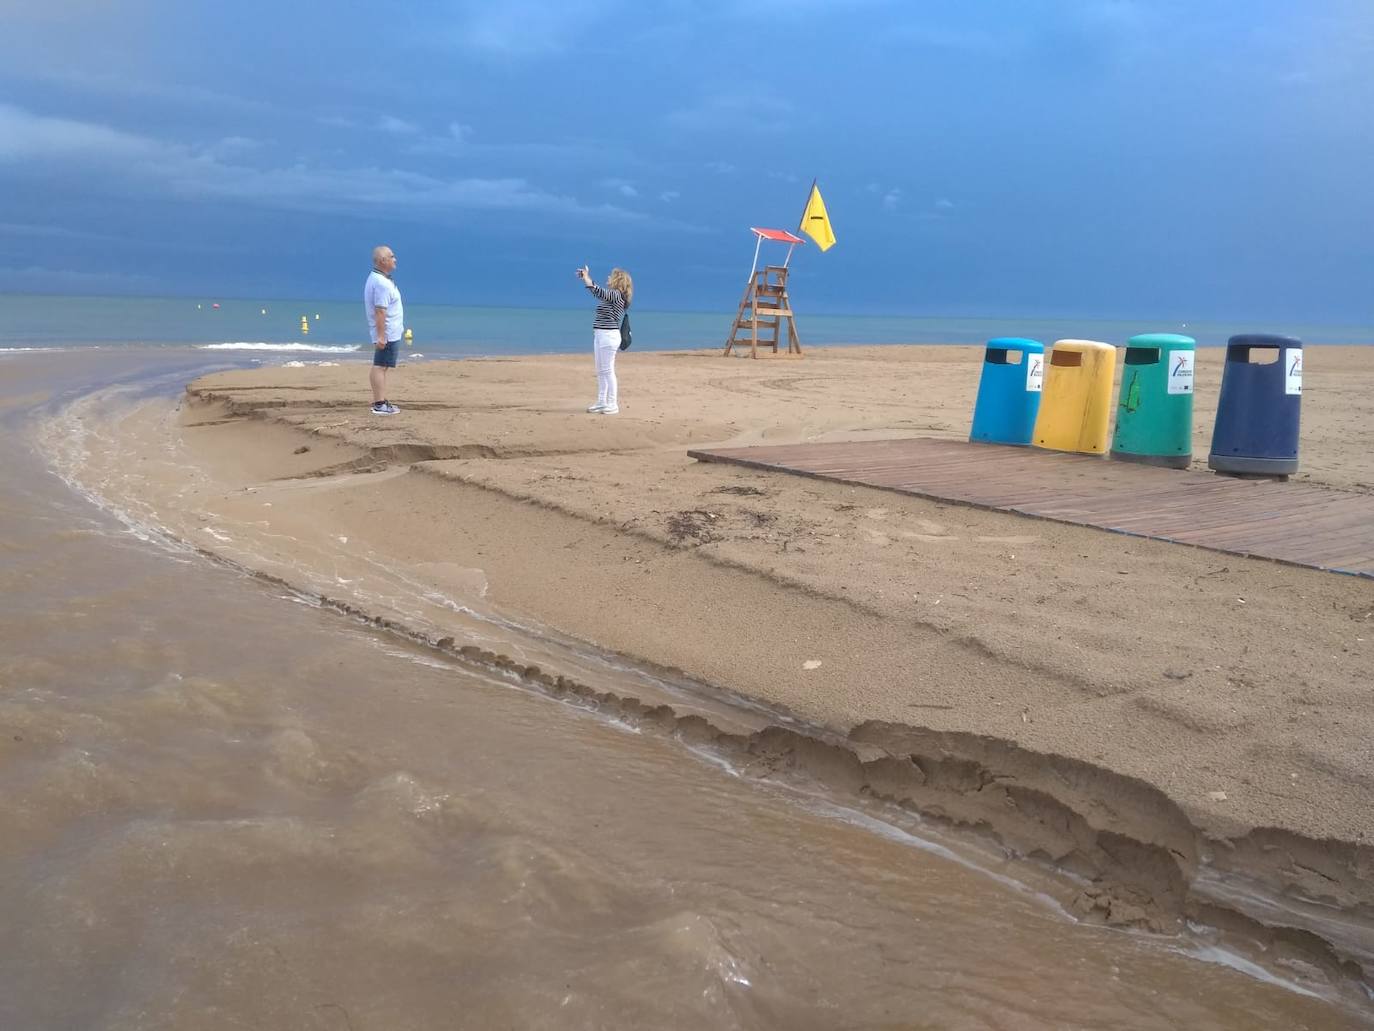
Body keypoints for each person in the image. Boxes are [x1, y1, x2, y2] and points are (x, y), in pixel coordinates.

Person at [576, 265, 632, 415]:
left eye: (610, 276)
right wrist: (585, 278)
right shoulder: (613, 296)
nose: (608, 278)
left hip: (609, 336)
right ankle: (602, 401)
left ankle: (612, 404)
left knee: (607, 370)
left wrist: (586, 277)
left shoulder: (616, 294)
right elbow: (598, 293)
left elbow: (597, 291)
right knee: (601, 371)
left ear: (617, 280)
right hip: (601, 335)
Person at [364, 245, 404, 415]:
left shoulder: (380, 279)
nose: (395, 259)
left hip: (389, 331)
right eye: (392, 256)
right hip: (387, 333)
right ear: (383, 261)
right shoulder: (381, 283)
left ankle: (380, 401)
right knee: (380, 366)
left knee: (382, 366)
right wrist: (381, 336)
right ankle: (379, 404)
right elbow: (380, 311)